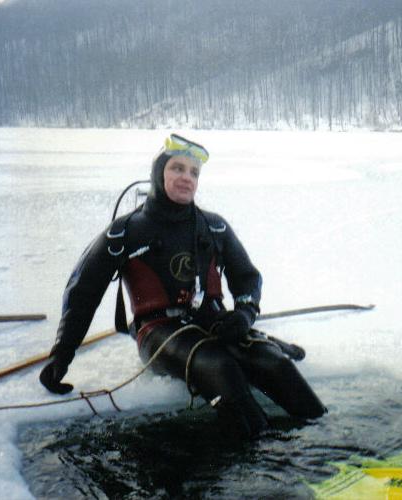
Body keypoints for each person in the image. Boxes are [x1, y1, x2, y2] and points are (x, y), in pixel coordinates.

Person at [39, 134, 326, 437]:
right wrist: (61, 355)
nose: (187, 177)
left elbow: (247, 278)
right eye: (177, 168)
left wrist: (244, 314)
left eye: (194, 172)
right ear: (158, 173)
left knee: (277, 364)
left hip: (213, 321)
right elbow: (83, 295)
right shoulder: (124, 233)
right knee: (219, 365)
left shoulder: (214, 226)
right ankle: (264, 457)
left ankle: (327, 443)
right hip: (158, 331)